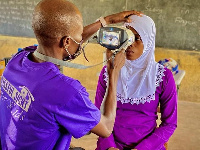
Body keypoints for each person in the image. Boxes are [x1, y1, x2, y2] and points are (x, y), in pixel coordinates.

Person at [0, 0, 142, 149]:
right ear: (67, 41)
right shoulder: (66, 91)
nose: (81, 38)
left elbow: (60, 43)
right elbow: (106, 128)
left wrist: (106, 21)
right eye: (79, 36)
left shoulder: (18, 59)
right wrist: (113, 72)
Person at [95, 15, 177, 150]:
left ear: (149, 40)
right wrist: (109, 147)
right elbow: (99, 116)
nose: (130, 44)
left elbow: (170, 124)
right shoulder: (109, 71)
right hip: (110, 145)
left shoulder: (163, 77)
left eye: (137, 38)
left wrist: (142, 148)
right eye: (127, 37)